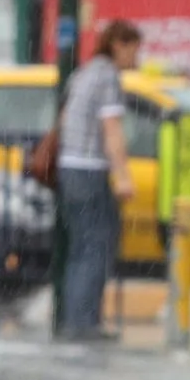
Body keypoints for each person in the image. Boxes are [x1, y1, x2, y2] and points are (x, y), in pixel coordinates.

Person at [55, 19, 141, 341]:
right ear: (119, 44)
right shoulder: (107, 77)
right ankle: (83, 324)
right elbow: (112, 131)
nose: (137, 57)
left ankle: (74, 318)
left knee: (80, 247)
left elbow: (65, 118)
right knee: (96, 247)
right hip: (91, 169)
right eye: (134, 48)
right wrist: (123, 176)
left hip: (69, 167)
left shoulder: (84, 72)